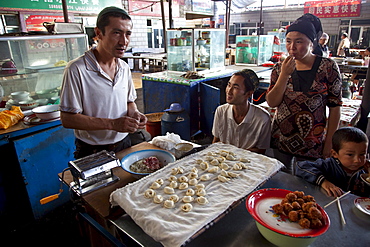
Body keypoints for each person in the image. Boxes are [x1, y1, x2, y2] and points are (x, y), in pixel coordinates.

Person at [60, 6, 147, 159]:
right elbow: (68, 119)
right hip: (92, 151)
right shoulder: (77, 69)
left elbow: (129, 102)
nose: (124, 41)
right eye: (116, 33)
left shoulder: (124, 67)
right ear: (99, 33)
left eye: (128, 34)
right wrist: (112, 124)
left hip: (124, 143)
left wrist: (134, 113)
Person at [266, 13, 342, 174]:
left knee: (308, 183)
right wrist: (284, 75)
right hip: (281, 139)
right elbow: (272, 102)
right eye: (288, 41)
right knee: (282, 180)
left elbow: (335, 108)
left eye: (299, 41)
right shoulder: (280, 68)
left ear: (312, 42)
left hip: (313, 143)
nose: (292, 47)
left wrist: (329, 143)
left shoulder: (328, 67)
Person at [295, 127, 370, 197]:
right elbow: (301, 166)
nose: (357, 160)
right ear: (334, 154)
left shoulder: (363, 172)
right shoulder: (328, 165)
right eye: (350, 155)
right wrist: (323, 182)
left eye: (362, 154)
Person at [212, 69, 271, 154]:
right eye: (229, 85)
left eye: (235, 87)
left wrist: (233, 154)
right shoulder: (221, 111)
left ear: (248, 94)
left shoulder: (262, 119)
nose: (229, 91)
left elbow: (261, 152)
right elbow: (215, 142)